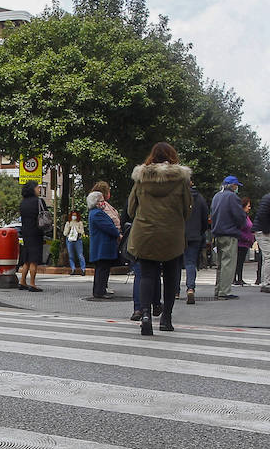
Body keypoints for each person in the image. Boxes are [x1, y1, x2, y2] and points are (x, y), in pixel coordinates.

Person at [126, 143, 193, 335]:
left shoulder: (141, 178)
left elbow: (131, 208)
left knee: (147, 275)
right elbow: (187, 208)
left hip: (145, 233)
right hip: (172, 234)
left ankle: (145, 315)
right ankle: (167, 318)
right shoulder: (181, 180)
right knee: (171, 276)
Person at [209, 175, 246, 300]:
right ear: (233, 186)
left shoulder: (216, 196)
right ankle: (225, 291)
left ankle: (218, 289)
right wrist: (240, 227)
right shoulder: (233, 197)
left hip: (218, 233)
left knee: (220, 264)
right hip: (230, 233)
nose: (237, 188)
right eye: (236, 186)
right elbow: (239, 216)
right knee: (228, 263)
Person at [87, 191, 120, 299]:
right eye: (101, 201)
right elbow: (109, 227)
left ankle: (99, 291)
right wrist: (117, 233)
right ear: (96, 202)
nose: (103, 203)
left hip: (102, 247)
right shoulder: (97, 213)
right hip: (102, 247)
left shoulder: (95, 213)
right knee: (102, 270)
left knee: (102, 270)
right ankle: (99, 292)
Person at [180, 182, 209, 305]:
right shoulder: (200, 198)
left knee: (175, 264)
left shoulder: (178, 197)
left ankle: (175, 291)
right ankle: (190, 288)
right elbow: (205, 218)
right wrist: (200, 232)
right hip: (195, 235)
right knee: (191, 262)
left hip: (178, 235)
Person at [17, 180, 45, 292]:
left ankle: (22, 281)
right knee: (34, 259)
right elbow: (45, 214)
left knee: (26, 259)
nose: (39, 189)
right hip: (36, 232)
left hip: (25, 233)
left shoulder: (23, 203)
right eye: (38, 188)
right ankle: (32, 284)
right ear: (33, 189)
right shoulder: (39, 201)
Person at [235, 197, 254, 287]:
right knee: (238, 261)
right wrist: (246, 238)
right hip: (241, 243)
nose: (249, 208)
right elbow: (239, 229)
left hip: (246, 243)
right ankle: (237, 278)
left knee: (241, 262)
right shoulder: (242, 216)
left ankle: (239, 278)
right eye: (248, 206)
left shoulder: (246, 216)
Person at [62, 211, 86, 275]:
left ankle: (83, 269)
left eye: (75, 215)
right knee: (71, 256)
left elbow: (82, 232)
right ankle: (73, 269)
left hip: (78, 240)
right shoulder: (68, 223)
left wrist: (76, 228)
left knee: (80, 255)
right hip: (69, 240)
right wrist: (69, 227)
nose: (74, 217)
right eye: (73, 215)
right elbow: (65, 233)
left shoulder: (80, 223)